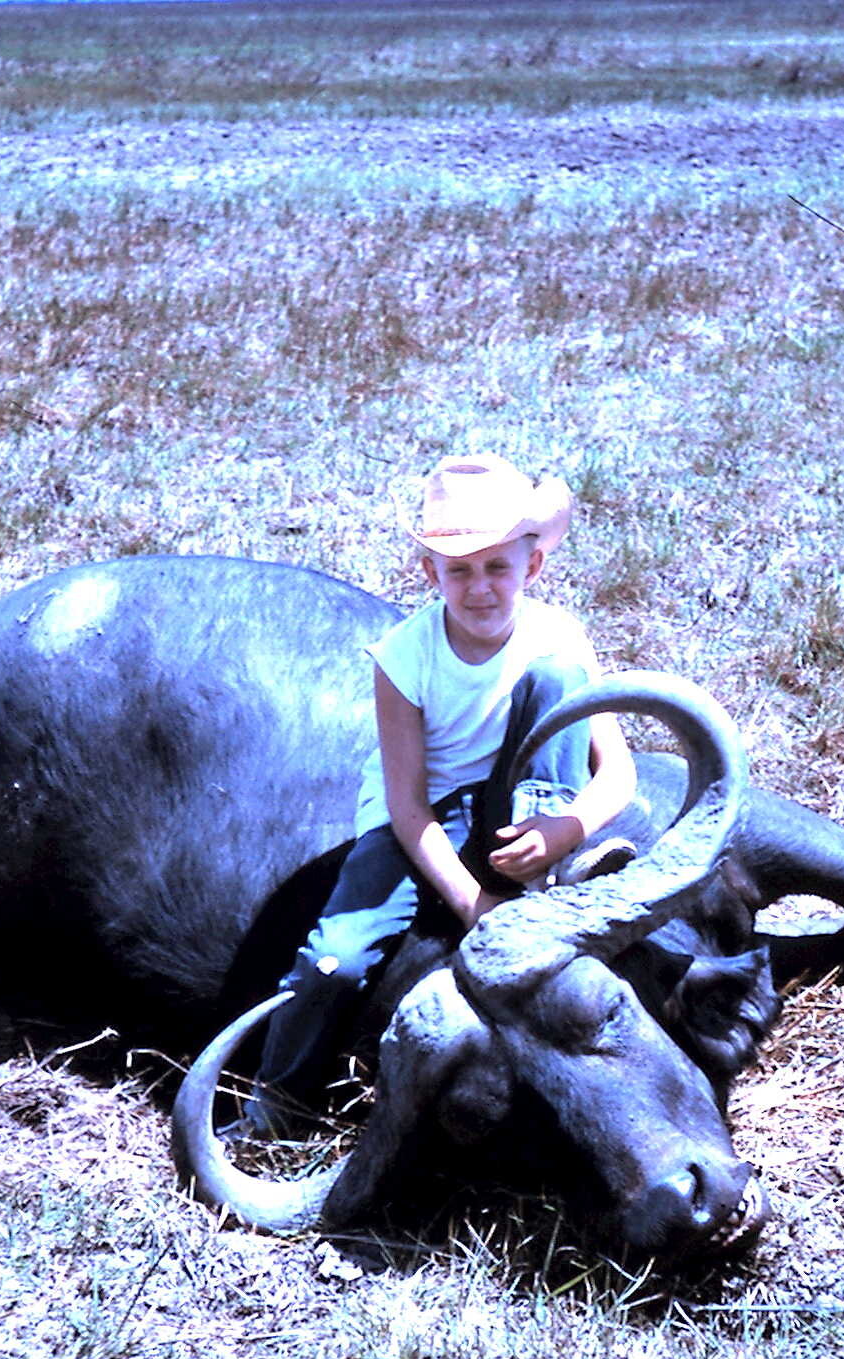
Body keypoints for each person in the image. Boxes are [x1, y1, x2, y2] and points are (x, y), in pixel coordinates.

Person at [234, 453, 639, 1137]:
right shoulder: (404, 657)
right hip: (422, 821)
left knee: (557, 677)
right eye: (459, 569)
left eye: (497, 567)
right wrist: (471, 902)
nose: (480, 587)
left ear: (531, 568)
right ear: (431, 574)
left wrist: (566, 829)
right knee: (334, 962)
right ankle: (276, 1108)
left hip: (521, 802)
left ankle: (549, 877)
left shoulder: (560, 636)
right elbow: (408, 806)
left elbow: (618, 776)